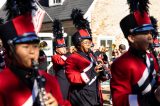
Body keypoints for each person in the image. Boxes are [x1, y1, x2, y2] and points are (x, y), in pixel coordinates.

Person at [0, 1, 70, 106]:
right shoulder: (2, 83)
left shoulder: (50, 80)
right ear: (11, 50)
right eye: (25, 46)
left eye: (35, 46)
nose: (32, 51)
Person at [110, 0, 160, 106]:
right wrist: (153, 97)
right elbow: (120, 101)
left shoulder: (151, 57)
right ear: (131, 38)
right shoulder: (120, 64)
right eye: (145, 32)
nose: (150, 36)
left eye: (150, 32)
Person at [65, 8, 108, 106]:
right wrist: (93, 71)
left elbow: (101, 74)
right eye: (85, 42)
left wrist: (103, 70)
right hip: (81, 96)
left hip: (95, 93)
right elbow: (72, 78)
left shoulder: (92, 55)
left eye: (89, 42)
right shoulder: (72, 58)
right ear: (78, 45)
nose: (89, 44)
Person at [51, 19, 70, 100]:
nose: (64, 48)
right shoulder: (55, 57)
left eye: (64, 47)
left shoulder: (67, 55)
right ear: (56, 49)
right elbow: (61, 62)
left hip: (69, 81)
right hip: (61, 81)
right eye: (61, 47)